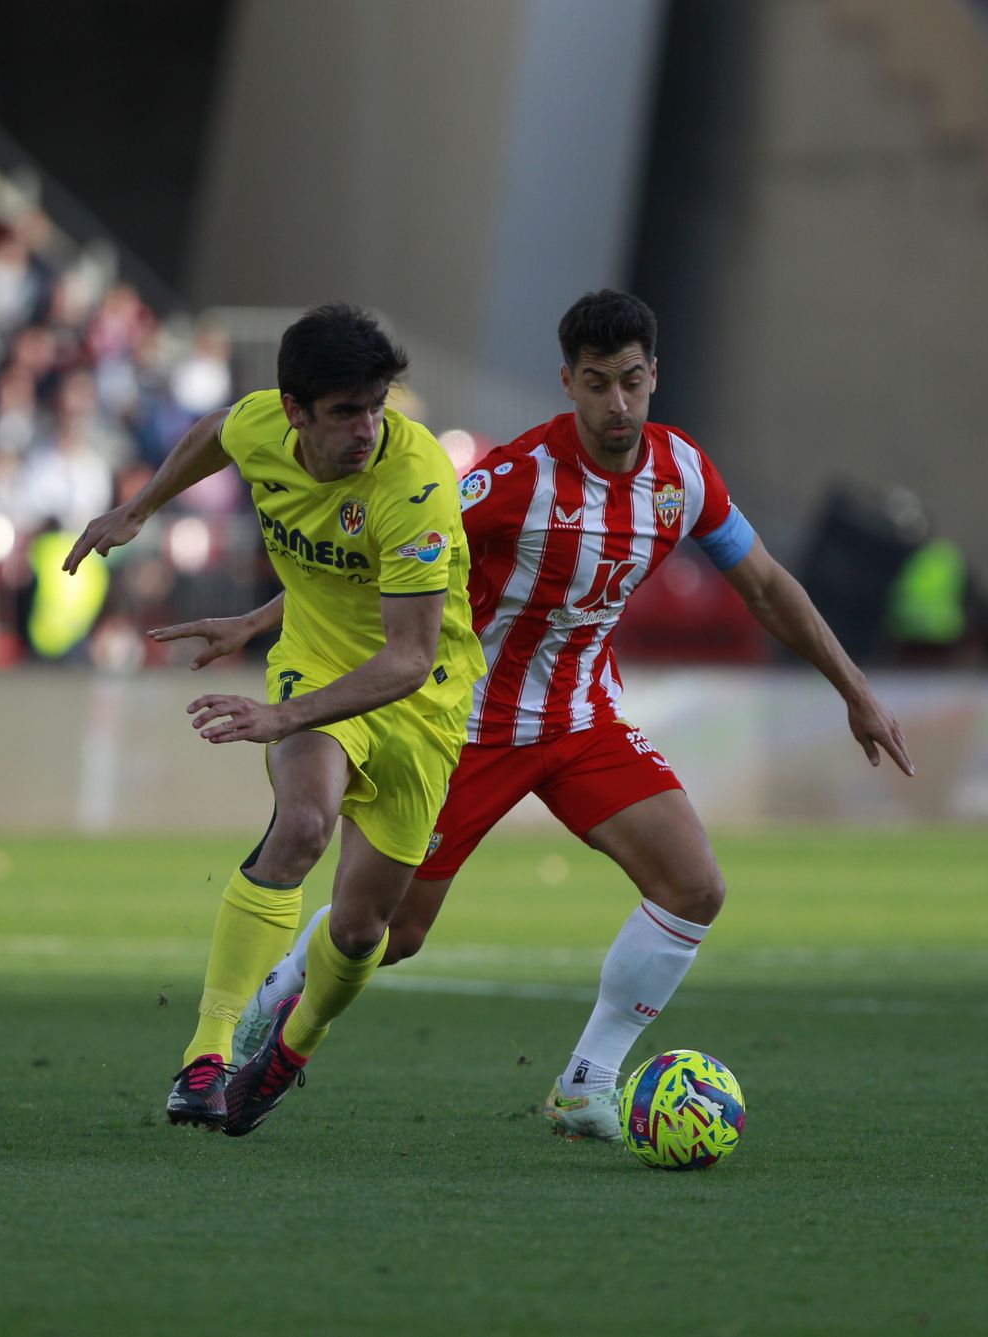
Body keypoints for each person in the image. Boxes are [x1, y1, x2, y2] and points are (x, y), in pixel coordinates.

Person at [154, 290, 911, 1140]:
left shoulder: (683, 475)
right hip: (463, 723)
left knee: (695, 885)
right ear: (567, 384)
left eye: (631, 381)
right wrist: (263, 620)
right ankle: (287, 978)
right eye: (596, 384)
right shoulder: (513, 481)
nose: (616, 404)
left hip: (581, 720)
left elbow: (766, 584)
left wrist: (854, 688)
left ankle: (587, 1081)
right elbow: (373, 569)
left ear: (654, 376)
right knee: (389, 934)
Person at [64, 303, 484, 1136]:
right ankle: (206, 1056)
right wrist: (140, 509)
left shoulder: (415, 482)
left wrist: (277, 713)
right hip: (315, 667)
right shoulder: (264, 426)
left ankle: (291, 1048)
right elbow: (218, 431)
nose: (367, 428)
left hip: (422, 701)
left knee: (367, 930)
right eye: (344, 412)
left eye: (376, 406)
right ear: (294, 410)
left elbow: (404, 655)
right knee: (301, 823)